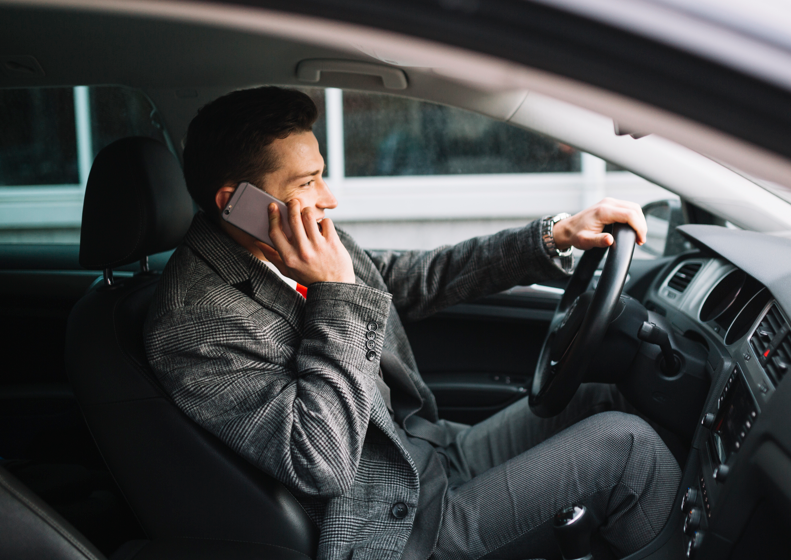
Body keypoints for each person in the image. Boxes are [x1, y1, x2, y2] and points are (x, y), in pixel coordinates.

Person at [145, 87, 680, 560]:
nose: (329, 199)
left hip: (429, 454)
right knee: (629, 449)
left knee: (600, 395)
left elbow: (415, 277)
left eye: (322, 174)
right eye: (308, 182)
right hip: (392, 529)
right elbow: (318, 460)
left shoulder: (298, 239)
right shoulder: (194, 323)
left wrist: (554, 236)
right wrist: (337, 294)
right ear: (237, 204)